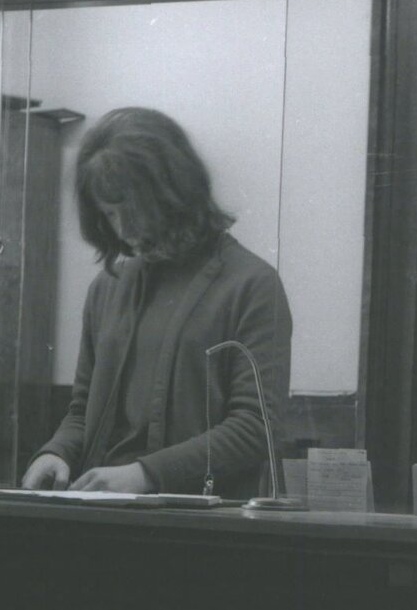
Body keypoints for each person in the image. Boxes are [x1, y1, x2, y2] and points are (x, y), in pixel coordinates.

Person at [23, 107, 292, 499]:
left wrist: (146, 474)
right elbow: (82, 410)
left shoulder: (253, 284)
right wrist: (57, 452)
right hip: (100, 510)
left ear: (175, 192)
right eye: (111, 215)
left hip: (200, 526)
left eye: (133, 211)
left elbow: (256, 427)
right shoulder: (107, 288)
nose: (124, 230)